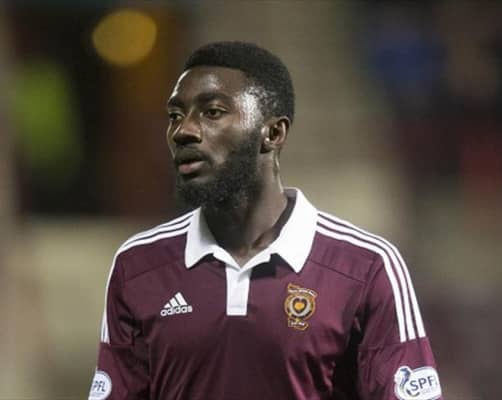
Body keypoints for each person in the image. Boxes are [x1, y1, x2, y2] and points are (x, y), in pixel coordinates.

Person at [89, 41, 442, 400]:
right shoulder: (138, 266)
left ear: (273, 133)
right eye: (175, 115)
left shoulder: (366, 266)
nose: (184, 131)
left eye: (212, 112)